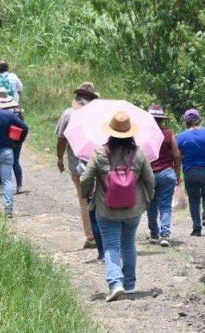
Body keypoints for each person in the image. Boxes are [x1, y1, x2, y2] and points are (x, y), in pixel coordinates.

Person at [79, 111, 155, 302]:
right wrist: (147, 200)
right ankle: (129, 284)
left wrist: (86, 194)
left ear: (111, 132)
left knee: (111, 245)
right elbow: (150, 180)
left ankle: (115, 284)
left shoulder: (99, 152)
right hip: (133, 208)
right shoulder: (139, 153)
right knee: (128, 243)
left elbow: (85, 179)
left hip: (106, 209)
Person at [55, 81, 101, 249]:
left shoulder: (68, 114)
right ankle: (104, 232)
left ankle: (91, 238)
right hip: (100, 161)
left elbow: (61, 140)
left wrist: (59, 159)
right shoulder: (99, 115)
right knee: (102, 196)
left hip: (77, 164)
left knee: (84, 199)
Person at [176, 108, 205, 236]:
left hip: (189, 172)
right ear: (199, 119)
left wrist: (177, 175)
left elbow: (178, 156)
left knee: (194, 200)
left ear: (186, 121)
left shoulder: (181, 136)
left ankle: (196, 228)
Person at [146, 104, 182, 247]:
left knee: (151, 205)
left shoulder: (143, 134)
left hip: (149, 174)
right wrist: (177, 173)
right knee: (165, 205)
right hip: (167, 173)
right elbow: (177, 155)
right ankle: (165, 235)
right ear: (162, 119)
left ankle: (154, 234)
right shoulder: (168, 133)